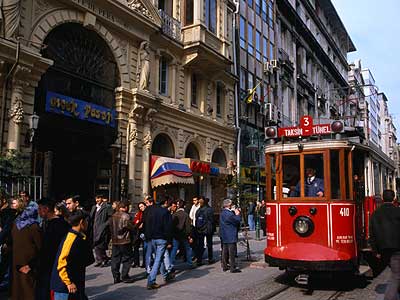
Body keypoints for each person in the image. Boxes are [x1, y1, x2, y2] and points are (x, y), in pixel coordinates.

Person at [50, 210, 94, 300]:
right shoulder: (71, 239)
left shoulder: (79, 236)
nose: (87, 224)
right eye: (86, 221)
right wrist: (68, 282)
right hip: (65, 287)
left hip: (75, 283)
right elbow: (62, 263)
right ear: (81, 222)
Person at [36, 198, 70, 300]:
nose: (38, 212)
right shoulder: (53, 223)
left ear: (46, 209)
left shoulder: (56, 225)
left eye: (40, 209)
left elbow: (48, 248)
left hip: (52, 266)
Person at [369, 189, 400, 300]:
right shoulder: (398, 211)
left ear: (382, 199)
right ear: (394, 198)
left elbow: (372, 234)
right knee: (396, 275)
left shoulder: (375, 214)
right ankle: (389, 297)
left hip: (383, 249)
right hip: (397, 249)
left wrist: (375, 251)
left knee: (395, 271)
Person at [11, 199, 42, 300]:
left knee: (18, 288)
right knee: (28, 289)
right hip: (29, 263)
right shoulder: (33, 226)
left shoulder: (16, 224)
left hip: (17, 261)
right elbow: (40, 245)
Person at [144, 199, 173, 290]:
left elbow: (145, 223)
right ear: (164, 203)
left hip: (152, 238)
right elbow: (168, 228)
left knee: (159, 258)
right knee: (158, 259)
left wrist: (147, 236)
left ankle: (165, 275)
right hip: (161, 238)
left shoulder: (149, 210)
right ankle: (151, 281)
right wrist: (169, 241)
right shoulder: (164, 212)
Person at [109, 200, 135, 284]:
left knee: (115, 259)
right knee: (127, 258)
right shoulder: (126, 216)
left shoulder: (113, 216)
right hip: (124, 240)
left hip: (115, 240)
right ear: (126, 207)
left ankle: (116, 276)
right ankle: (124, 276)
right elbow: (131, 227)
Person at [90, 195, 113, 268]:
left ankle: (104, 259)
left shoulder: (107, 207)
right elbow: (91, 217)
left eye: (98, 198)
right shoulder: (94, 207)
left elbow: (110, 218)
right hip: (95, 228)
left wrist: (105, 225)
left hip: (103, 229)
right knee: (96, 245)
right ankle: (99, 260)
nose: (97, 200)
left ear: (102, 199)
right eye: (96, 198)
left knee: (101, 244)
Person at [219, 199, 241, 273]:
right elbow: (237, 220)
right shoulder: (229, 214)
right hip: (230, 234)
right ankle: (232, 267)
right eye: (231, 204)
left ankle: (225, 266)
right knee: (231, 252)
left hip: (224, 234)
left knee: (225, 251)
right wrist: (237, 213)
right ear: (229, 205)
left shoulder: (223, 213)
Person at [169, 199, 193, 269]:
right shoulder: (186, 215)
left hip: (176, 234)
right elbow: (188, 227)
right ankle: (190, 262)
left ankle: (170, 263)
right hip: (184, 234)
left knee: (174, 249)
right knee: (188, 248)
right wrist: (189, 235)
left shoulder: (174, 215)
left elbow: (172, 225)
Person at [132, 202, 146, 268]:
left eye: (142, 206)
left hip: (145, 231)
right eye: (140, 207)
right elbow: (135, 221)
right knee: (136, 247)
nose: (141, 208)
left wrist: (143, 223)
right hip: (138, 232)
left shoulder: (147, 212)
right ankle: (136, 262)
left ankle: (144, 263)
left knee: (144, 248)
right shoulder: (138, 213)